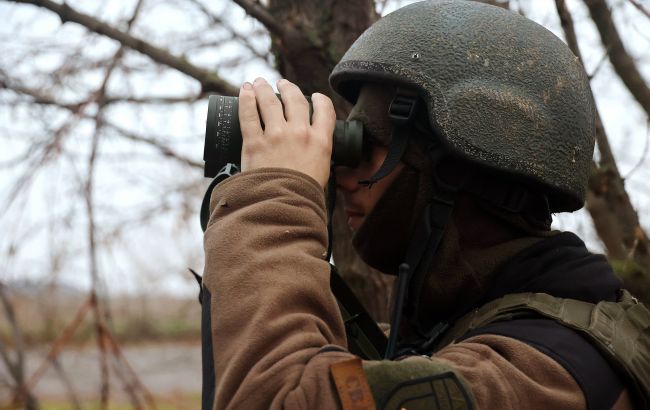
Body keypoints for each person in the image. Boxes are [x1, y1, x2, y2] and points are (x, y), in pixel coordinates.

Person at [200, 1, 650, 409]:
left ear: (456, 168)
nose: (341, 175)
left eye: (367, 146)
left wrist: (275, 192)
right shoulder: (488, 328)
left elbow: (283, 397)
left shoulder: (544, 373)